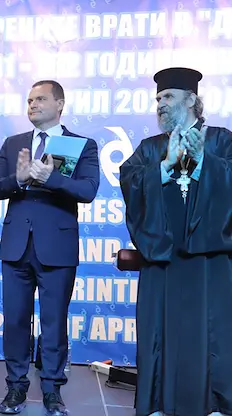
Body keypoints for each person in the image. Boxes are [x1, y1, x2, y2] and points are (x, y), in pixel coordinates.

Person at [119, 67, 232, 416]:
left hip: (209, 261)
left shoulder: (222, 141)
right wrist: (164, 167)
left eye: (168, 96)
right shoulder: (150, 148)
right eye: (158, 98)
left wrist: (204, 163)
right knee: (159, 334)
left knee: (213, 335)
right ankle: (157, 404)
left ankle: (214, 405)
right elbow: (130, 180)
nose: (160, 104)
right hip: (163, 258)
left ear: (191, 100)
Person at [0, 80, 99, 416]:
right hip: (16, 246)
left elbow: (88, 190)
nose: (33, 105)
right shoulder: (14, 143)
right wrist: (19, 180)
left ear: (59, 104)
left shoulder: (81, 144)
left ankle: (52, 389)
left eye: (40, 99)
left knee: (54, 322)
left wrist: (51, 178)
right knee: (15, 321)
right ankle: (15, 387)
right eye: (29, 100)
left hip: (57, 247)